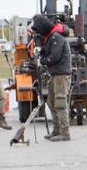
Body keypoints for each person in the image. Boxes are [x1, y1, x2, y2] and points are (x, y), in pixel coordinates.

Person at [31, 14, 72, 142]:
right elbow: (49, 51)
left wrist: (43, 60)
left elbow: (54, 56)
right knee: (51, 102)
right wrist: (42, 52)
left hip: (61, 75)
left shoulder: (56, 37)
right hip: (55, 74)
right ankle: (57, 129)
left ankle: (65, 133)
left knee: (59, 103)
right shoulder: (51, 37)